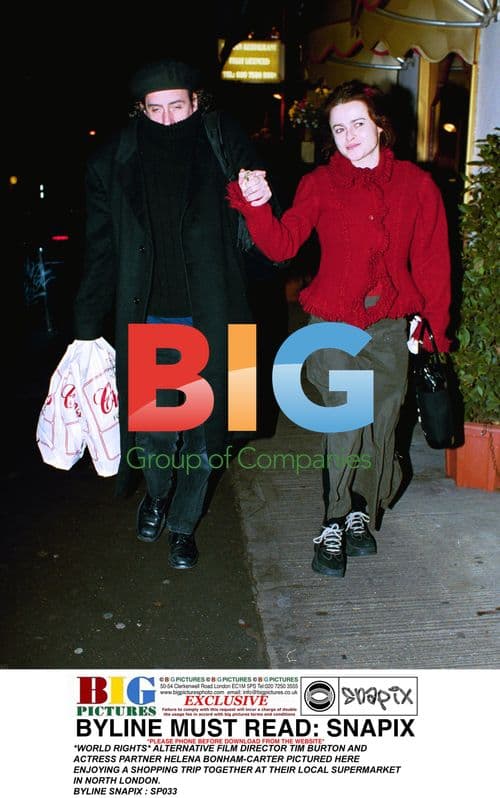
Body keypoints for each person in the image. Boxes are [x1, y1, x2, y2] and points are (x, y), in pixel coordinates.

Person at [228, 79, 451, 578]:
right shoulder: (321, 184)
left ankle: (359, 514)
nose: (349, 136)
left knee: (384, 428)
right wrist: (259, 207)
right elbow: (284, 245)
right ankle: (332, 520)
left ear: (379, 125)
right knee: (346, 422)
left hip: (393, 326)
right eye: (338, 128)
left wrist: (433, 330)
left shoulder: (417, 186)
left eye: (357, 123)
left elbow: (433, 261)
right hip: (332, 324)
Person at [73, 59, 271, 570]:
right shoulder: (112, 160)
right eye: (155, 110)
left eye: (177, 107)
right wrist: (85, 327)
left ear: (196, 102)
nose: (166, 120)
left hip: (222, 311)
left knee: (213, 434)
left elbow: (260, 202)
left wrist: (260, 197)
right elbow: (100, 249)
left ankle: (182, 526)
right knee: (157, 432)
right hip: (154, 318)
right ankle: (158, 496)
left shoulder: (221, 141)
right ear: (140, 109)